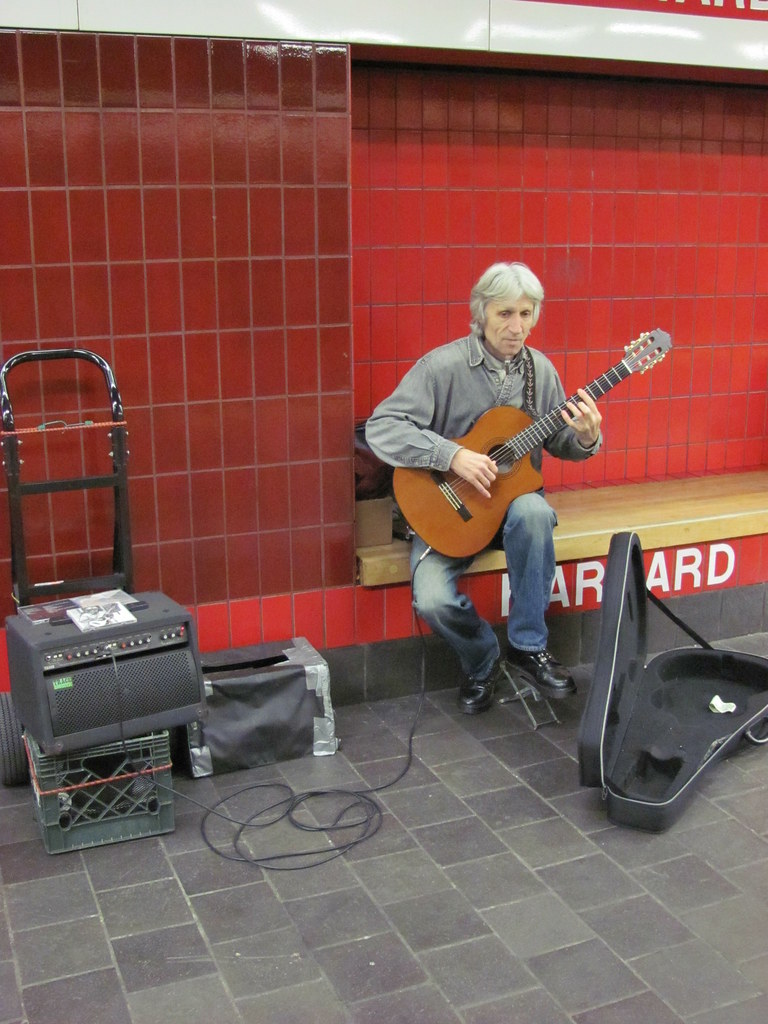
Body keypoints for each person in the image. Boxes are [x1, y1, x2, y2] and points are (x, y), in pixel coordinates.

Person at [365, 261, 603, 714]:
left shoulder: (541, 371)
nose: (516, 328)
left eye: (526, 314)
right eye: (505, 314)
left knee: (534, 513)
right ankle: (482, 661)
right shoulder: (442, 367)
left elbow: (558, 440)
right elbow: (382, 428)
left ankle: (529, 647)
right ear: (482, 313)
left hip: (512, 511)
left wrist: (587, 438)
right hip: (450, 511)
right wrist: (450, 455)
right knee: (431, 597)